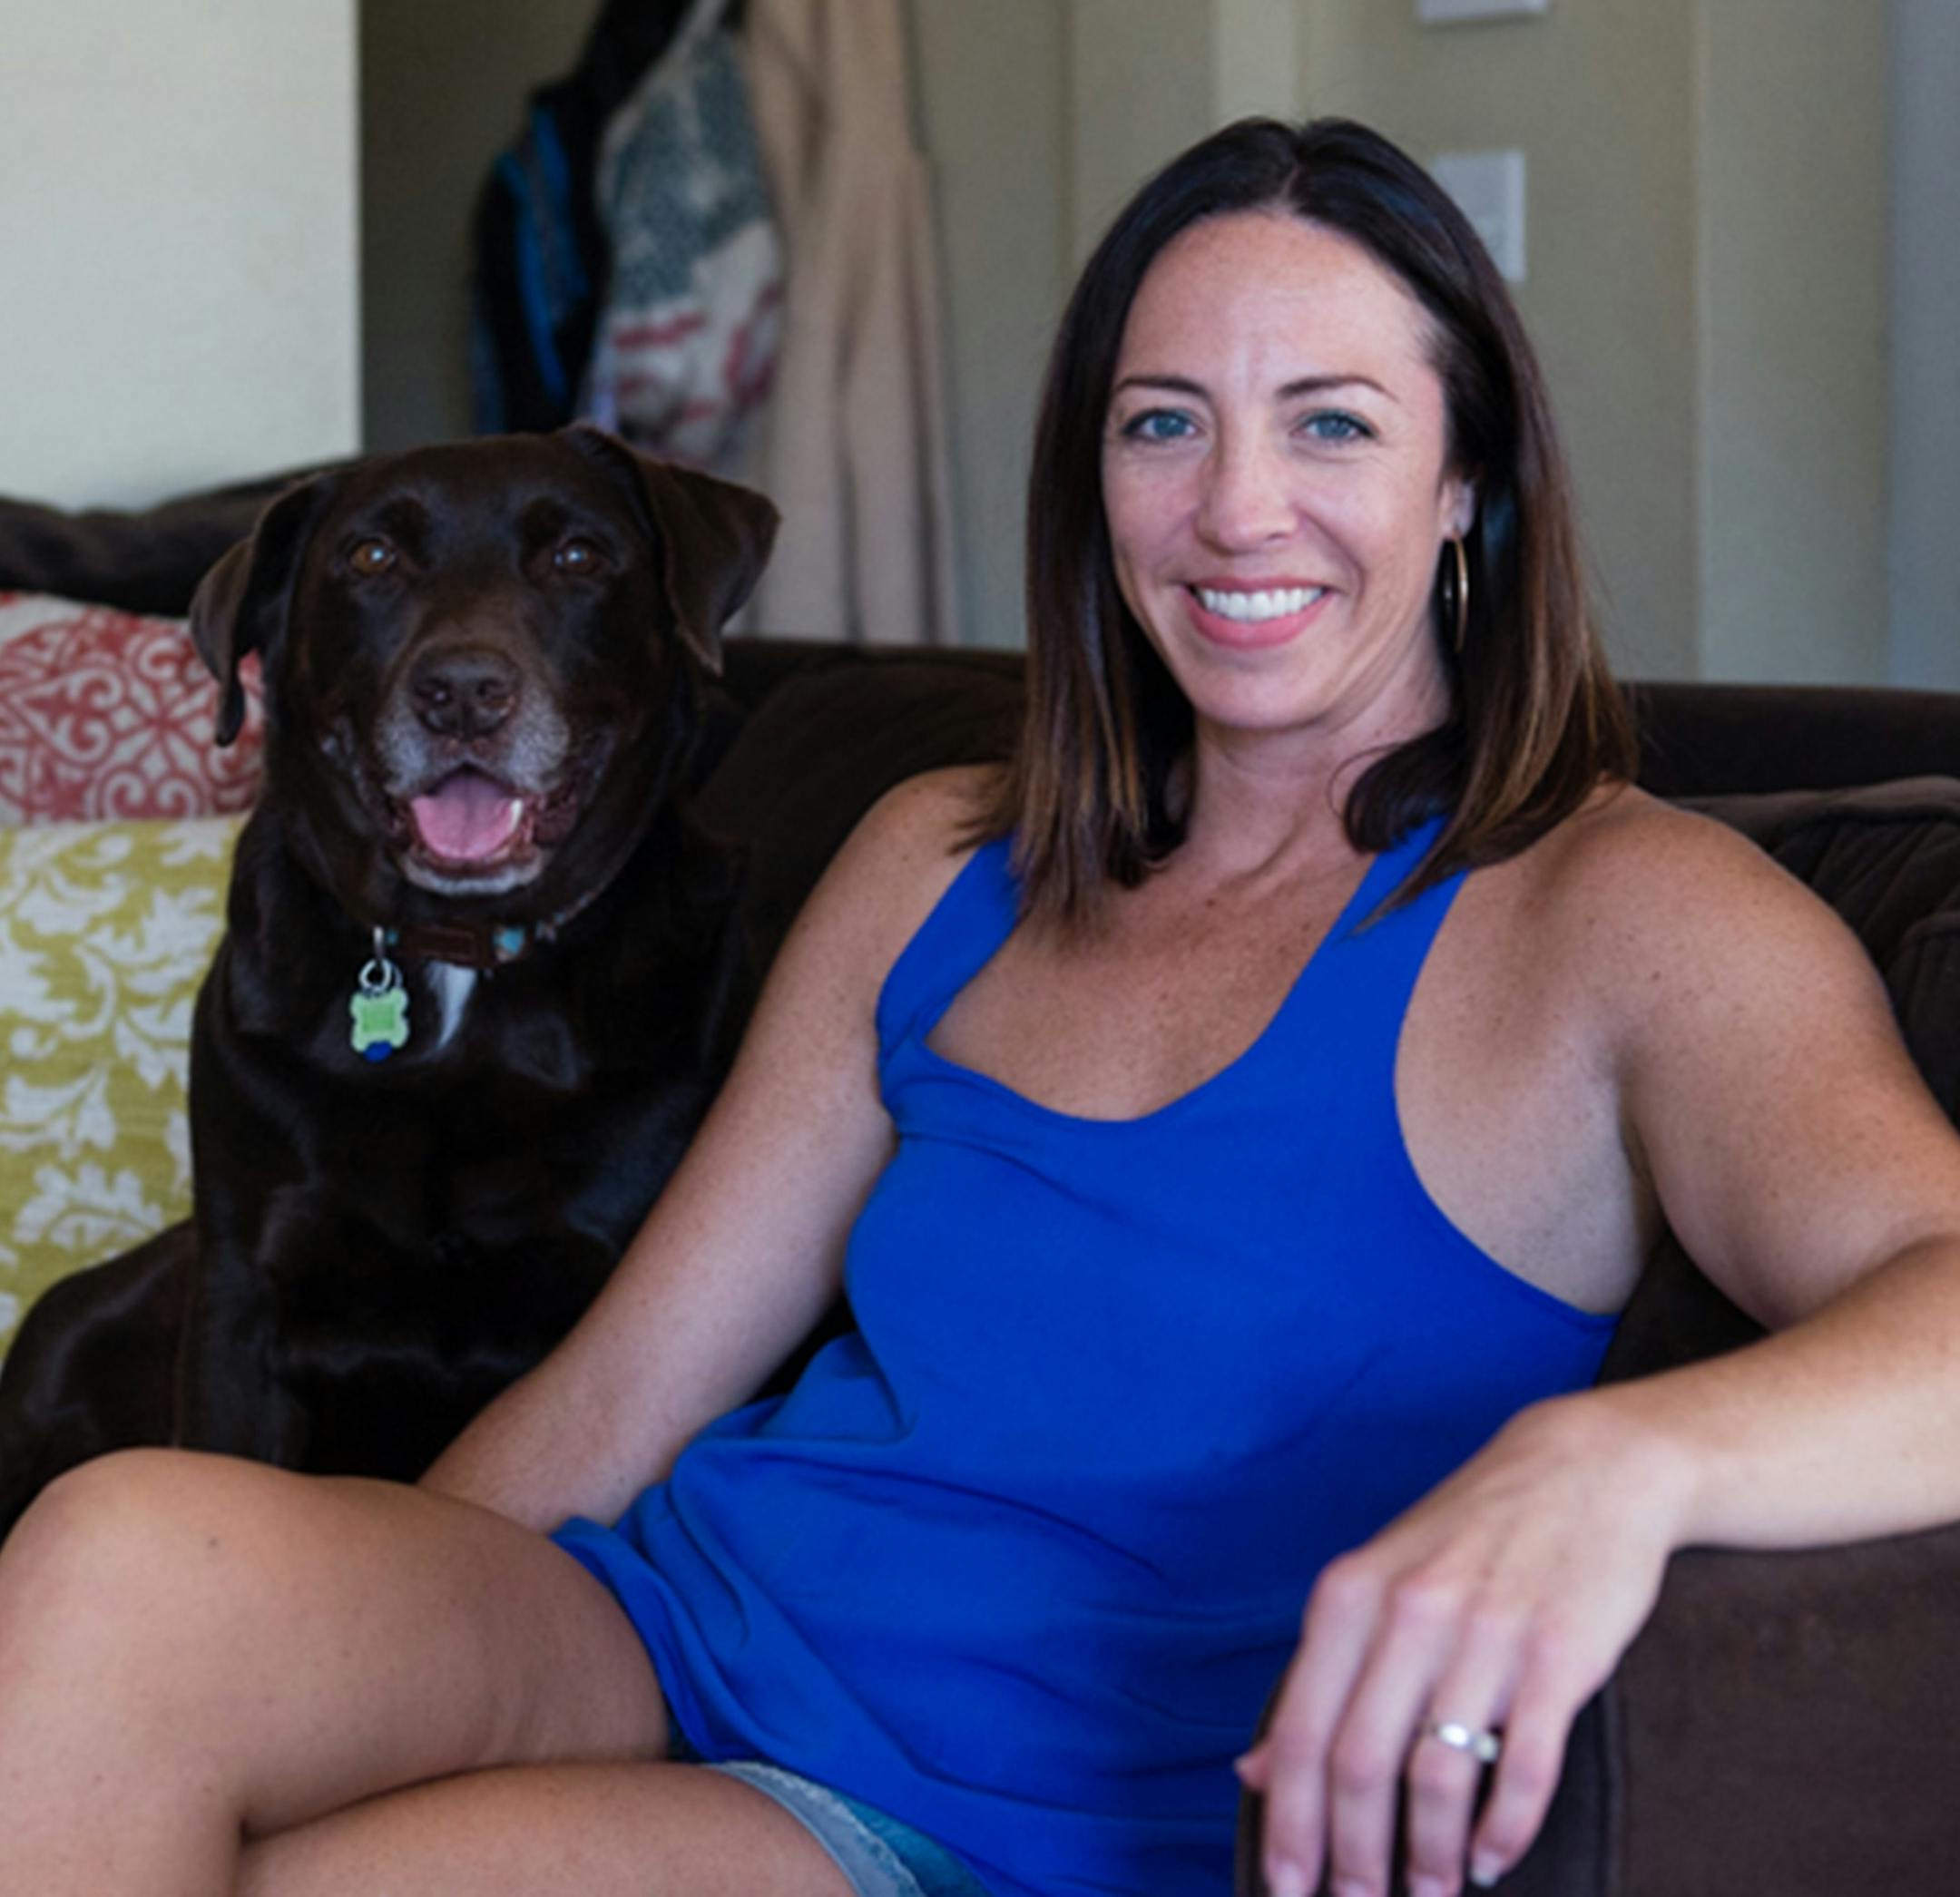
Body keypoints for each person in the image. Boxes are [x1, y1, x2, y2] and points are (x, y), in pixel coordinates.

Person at [4, 115, 1960, 1897]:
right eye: (1165, 422)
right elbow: (621, 1393)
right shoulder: (947, 852)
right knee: (117, 1565)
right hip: (671, 1618)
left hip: (992, 1801)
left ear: (1473, 482)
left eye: (1337, 424)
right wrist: (344, 1679)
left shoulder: (1631, 913)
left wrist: (1617, 1465)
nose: (1236, 507)